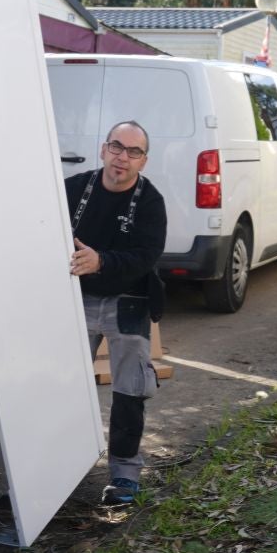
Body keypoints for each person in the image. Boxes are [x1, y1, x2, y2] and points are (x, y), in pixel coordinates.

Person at [67, 121, 168, 507]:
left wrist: (102, 262)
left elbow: (148, 255)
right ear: (103, 150)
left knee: (129, 387)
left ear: (144, 160)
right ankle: (60, 467)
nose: (122, 157)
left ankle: (124, 473)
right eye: (116, 147)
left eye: (133, 152)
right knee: (62, 383)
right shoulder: (74, 189)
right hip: (76, 296)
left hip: (130, 298)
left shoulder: (150, 202)